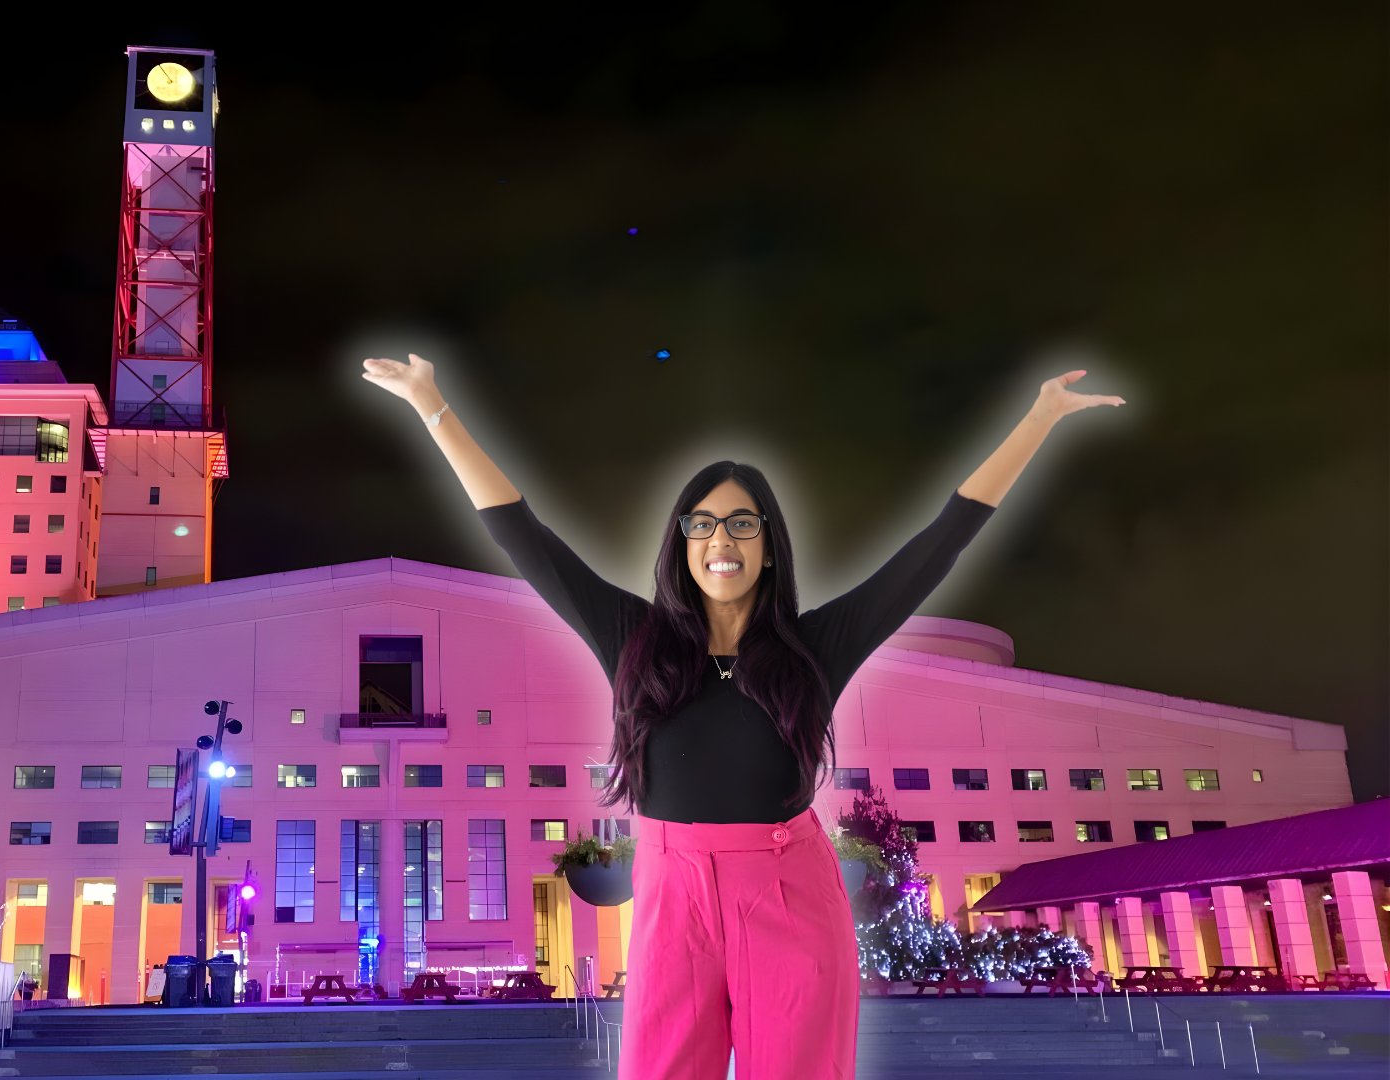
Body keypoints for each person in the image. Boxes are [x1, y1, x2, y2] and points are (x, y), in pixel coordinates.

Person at [361, 353, 1122, 1079]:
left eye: (741, 524)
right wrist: (433, 405)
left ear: (767, 546)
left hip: (790, 893)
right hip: (672, 894)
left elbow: (938, 545)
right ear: (682, 543)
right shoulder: (637, 640)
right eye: (701, 524)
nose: (719, 540)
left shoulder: (817, 646)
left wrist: (1040, 417)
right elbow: (520, 532)